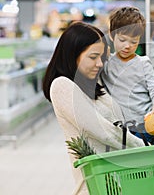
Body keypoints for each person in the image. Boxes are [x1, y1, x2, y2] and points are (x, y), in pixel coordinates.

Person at [42, 21, 146, 195]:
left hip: (120, 183)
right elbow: (103, 130)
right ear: (72, 55)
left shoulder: (93, 84)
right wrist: (144, 148)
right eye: (93, 57)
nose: (99, 63)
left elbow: (117, 119)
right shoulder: (61, 86)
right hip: (93, 187)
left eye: (102, 58)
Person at [101, 6, 154, 145]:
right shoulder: (106, 63)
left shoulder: (143, 63)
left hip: (144, 127)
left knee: (145, 161)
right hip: (120, 128)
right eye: (123, 40)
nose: (127, 46)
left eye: (134, 41)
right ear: (112, 35)